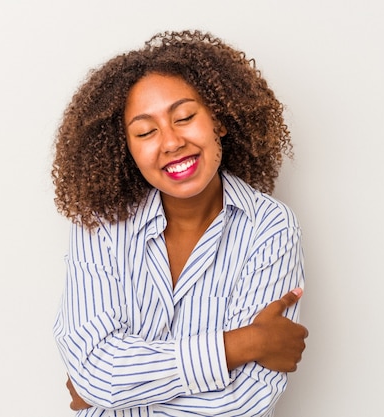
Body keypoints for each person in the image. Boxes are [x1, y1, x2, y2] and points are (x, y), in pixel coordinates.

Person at [51, 29, 308, 416]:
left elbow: (243, 403)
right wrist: (241, 345)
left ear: (219, 120)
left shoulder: (269, 227)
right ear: (128, 148)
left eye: (184, 117)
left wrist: (115, 388)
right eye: (145, 131)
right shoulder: (101, 221)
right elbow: (92, 371)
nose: (171, 142)